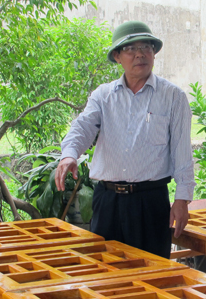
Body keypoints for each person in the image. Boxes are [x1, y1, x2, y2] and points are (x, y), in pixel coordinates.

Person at [56, 20, 195, 258]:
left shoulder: (173, 96)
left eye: (147, 47)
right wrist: (69, 154)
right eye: (131, 49)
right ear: (117, 56)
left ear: (154, 54)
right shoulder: (103, 95)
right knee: (105, 274)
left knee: (152, 275)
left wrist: (182, 199)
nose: (140, 54)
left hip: (150, 202)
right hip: (107, 201)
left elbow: (182, 151)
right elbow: (83, 126)